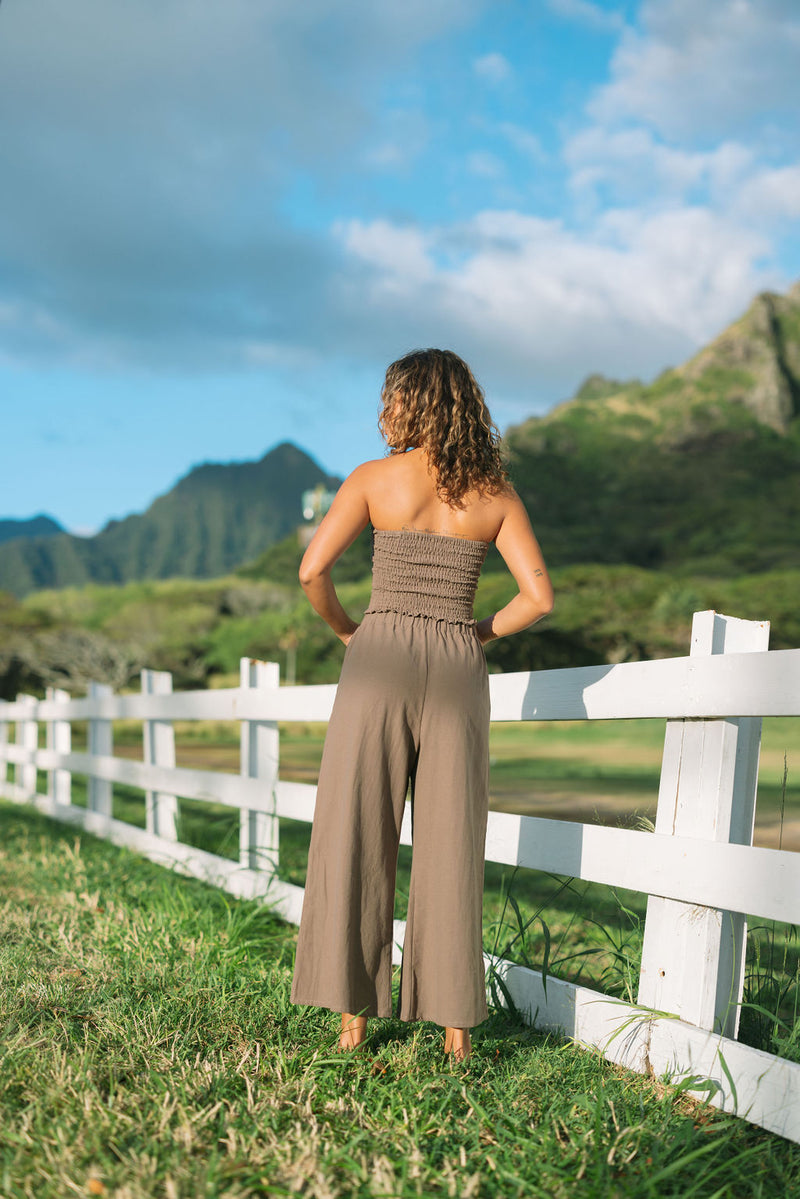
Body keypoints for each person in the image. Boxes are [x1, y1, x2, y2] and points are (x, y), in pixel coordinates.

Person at [289, 348, 553, 1063]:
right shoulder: (495, 493)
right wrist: (475, 631)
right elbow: (538, 596)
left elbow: (313, 569)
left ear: (407, 403)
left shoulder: (374, 480)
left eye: (391, 398)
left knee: (355, 828)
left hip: (377, 654)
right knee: (452, 838)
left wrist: (351, 630)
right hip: (458, 664)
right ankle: (457, 1034)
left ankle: (352, 1021)